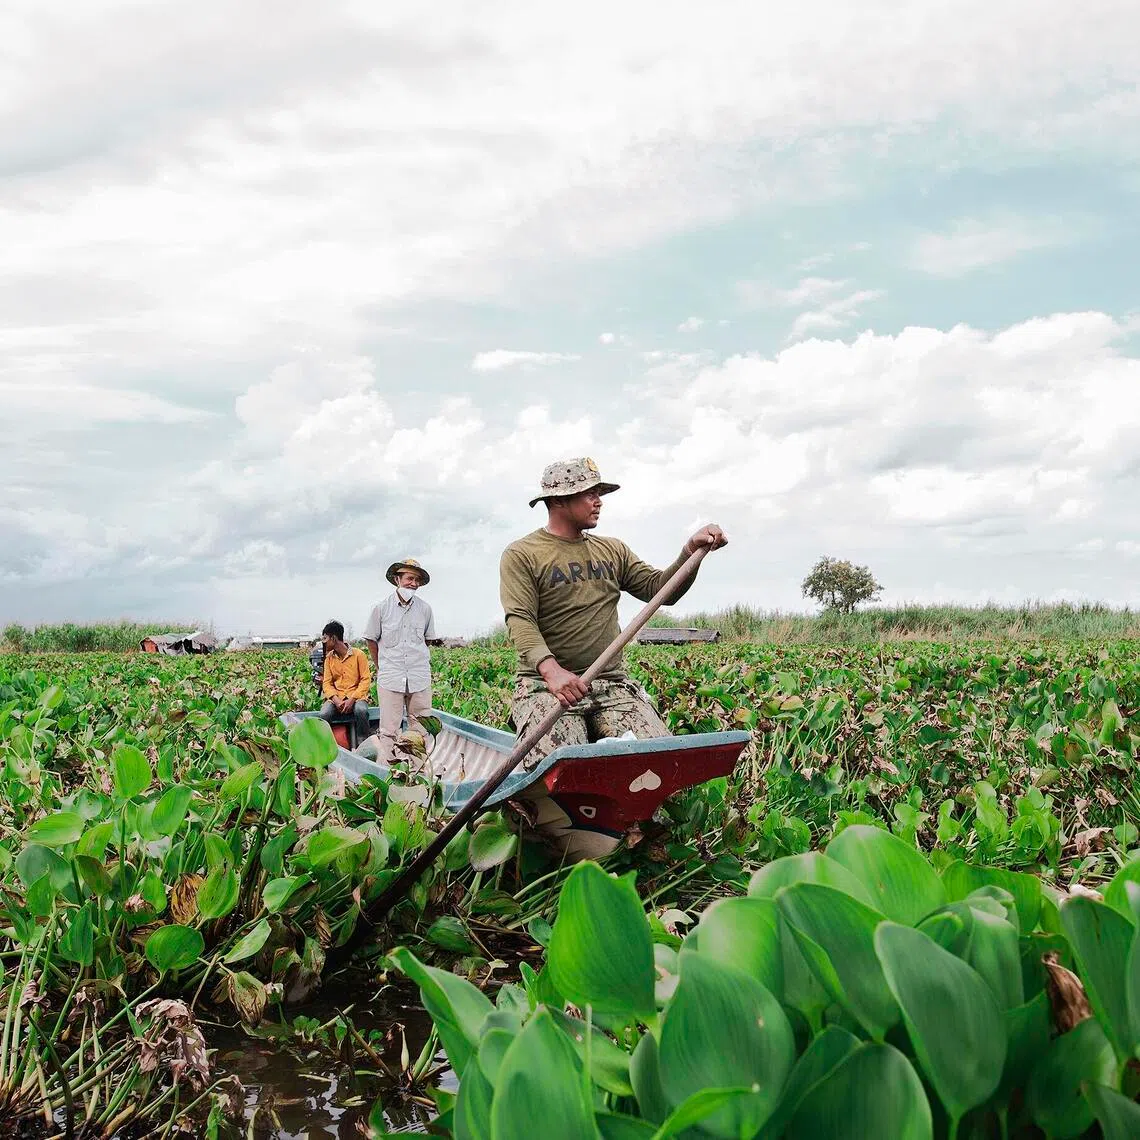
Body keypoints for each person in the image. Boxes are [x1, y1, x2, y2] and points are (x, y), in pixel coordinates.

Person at [499, 456, 727, 859]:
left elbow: (662, 589)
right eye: (589, 493)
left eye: (599, 492)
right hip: (547, 688)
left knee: (659, 759)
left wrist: (690, 553)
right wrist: (551, 672)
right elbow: (520, 619)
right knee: (558, 774)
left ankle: (641, 838)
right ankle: (553, 843)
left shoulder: (612, 550)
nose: (598, 501)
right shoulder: (522, 554)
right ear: (559, 500)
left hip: (611, 685)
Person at [362, 557, 439, 762]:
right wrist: (381, 666)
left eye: (417, 580)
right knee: (389, 731)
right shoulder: (381, 608)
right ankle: (391, 770)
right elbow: (371, 639)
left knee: (421, 729)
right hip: (391, 676)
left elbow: (427, 640)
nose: (413, 583)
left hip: (419, 676)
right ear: (397, 579)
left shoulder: (425, 609)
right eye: (409, 578)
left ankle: (419, 770)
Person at [317, 620, 372, 745]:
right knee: (324, 714)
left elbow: (365, 680)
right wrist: (336, 700)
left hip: (357, 697)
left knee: (361, 711)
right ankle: (326, 745)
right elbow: (327, 683)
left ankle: (362, 743)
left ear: (334, 638)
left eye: (325, 638)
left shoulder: (359, 655)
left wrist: (352, 699)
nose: (323, 642)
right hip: (337, 698)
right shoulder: (329, 658)